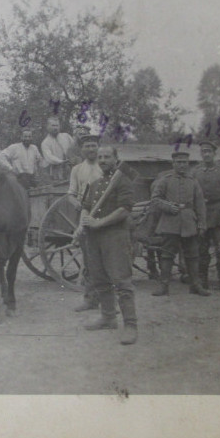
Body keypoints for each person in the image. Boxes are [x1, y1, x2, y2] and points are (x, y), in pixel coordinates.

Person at [77, 145, 139, 345]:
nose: (103, 160)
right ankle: (108, 317)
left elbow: (125, 209)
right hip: (94, 238)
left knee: (121, 281)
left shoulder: (123, 180)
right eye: (100, 157)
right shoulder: (95, 183)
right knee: (100, 279)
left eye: (107, 157)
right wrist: (84, 221)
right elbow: (85, 207)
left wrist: (99, 222)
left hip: (115, 236)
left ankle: (130, 325)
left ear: (115, 159)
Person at [149, 151, 210, 297]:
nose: (182, 165)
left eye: (184, 162)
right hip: (170, 222)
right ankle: (164, 286)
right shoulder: (165, 180)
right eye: (179, 162)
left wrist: (202, 223)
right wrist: (168, 206)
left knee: (193, 255)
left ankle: (195, 285)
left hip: (189, 222)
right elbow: (155, 199)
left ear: (188, 164)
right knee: (167, 254)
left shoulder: (193, 181)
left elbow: (200, 204)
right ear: (173, 164)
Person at [192, 140, 220, 292]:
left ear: (214, 153)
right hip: (202, 217)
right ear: (201, 154)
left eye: (209, 151)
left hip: (219, 218)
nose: (206, 154)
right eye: (203, 151)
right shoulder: (195, 172)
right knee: (202, 251)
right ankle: (203, 280)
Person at [67, 134, 104, 313]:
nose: (91, 149)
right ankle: (90, 300)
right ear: (82, 149)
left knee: (106, 259)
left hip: (104, 216)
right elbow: (71, 194)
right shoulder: (77, 169)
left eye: (94, 146)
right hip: (84, 215)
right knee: (89, 260)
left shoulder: (104, 166)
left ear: (98, 147)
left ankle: (108, 302)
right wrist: (79, 206)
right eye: (87, 146)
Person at [41, 117, 76, 182]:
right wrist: (61, 161)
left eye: (57, 125)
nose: (55, 128)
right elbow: (49, 157)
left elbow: (74, 148)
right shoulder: (45, 143)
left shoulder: (66, 136)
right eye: (53, 125)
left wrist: (74, 158)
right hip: (56, 170)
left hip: (71, 167)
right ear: (47, 127)